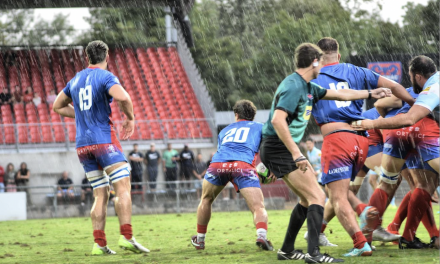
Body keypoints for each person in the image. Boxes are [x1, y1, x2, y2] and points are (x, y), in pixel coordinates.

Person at [259, 42, 391, 262]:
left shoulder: (308, 86)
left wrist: (370, 92)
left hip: (278, 149)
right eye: (320, 61)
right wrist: (296, 154)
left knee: (305, 200)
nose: (323, 66)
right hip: (279, 148)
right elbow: (277, 120)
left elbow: (341, 95)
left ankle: (287, 250)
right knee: (318, 196)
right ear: (314, 62)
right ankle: (314, 254)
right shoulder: (294, 86)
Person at [53, 40, 149, 255]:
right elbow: (123, 97)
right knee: (123, 187)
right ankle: (126, 237)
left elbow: (57, 106)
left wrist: (79, 114)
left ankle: (99, 244)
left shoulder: (75, 79)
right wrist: (130, 118)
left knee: (100, 194)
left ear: (87, 58)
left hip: (82, 146)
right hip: (104, 140)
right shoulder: (106, 76)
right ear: (107, 57)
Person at [191, 100, 275, 251]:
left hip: (218, 165)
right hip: (242, 166)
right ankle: (261, 236)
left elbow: (223, 150)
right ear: (253, 116)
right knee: (258, 206)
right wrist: (270, 169)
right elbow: (268, 148)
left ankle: (200, 239)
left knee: (206, 199)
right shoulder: (260, 127)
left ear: (236, 115)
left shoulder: (224, 131)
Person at [352, 55, 439, 172]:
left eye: (410, 76)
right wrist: (376, 125)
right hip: (373, 133)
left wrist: (375, 124)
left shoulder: (430, 90)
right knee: (401, 182)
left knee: (418, 184)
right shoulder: (422, 92)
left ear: (417, 77)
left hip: (385, 130)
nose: (410, 79)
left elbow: (409, 118)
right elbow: (379, 104)